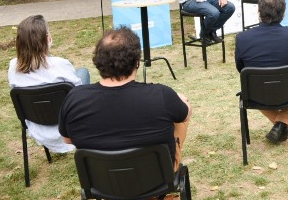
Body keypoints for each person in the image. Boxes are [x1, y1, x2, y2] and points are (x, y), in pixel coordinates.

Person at [59, 27, 191, 171]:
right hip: (157, 179)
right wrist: (179, 100)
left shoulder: (74, 98)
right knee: (181, 107)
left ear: (98, 60)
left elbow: (67, 139)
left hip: (103, 181)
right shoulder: (162, 95)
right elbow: (185, 115)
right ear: (136, 62)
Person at [234, 0, 288, 144]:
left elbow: (240, 68)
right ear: (283, 13)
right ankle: (283, 123)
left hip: (256, 94)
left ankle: (280, 124)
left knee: (252, 86)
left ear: (259, 13)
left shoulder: (242, 38)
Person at [8, 15, 90, 154]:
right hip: (69, 125)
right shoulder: (60, 64)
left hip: (37, 124)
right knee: (83, 72)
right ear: (46, 38)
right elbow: (78, 93)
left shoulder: (13, 66)